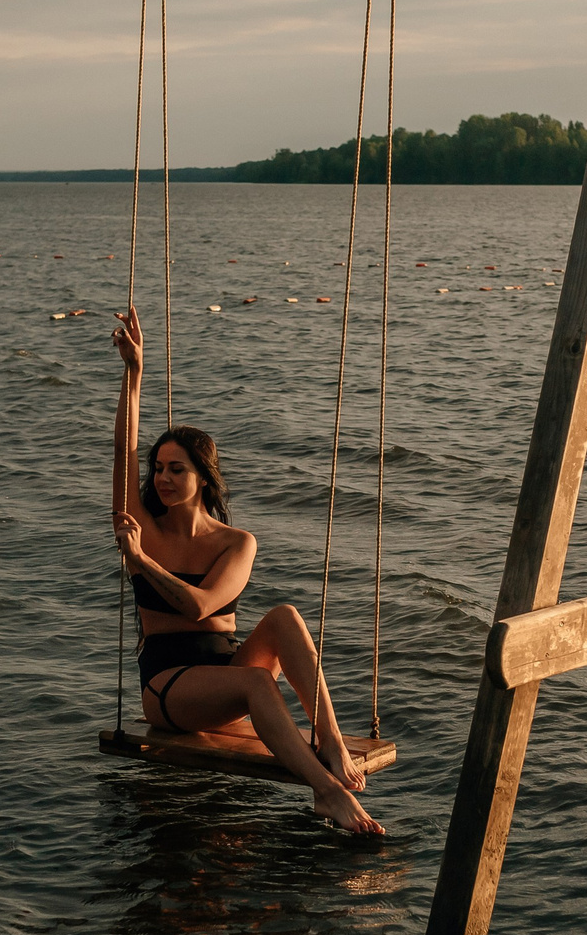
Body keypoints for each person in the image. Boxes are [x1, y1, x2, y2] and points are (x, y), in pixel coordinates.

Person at [109, 309, 383, 836]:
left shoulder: (237, 542)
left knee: (284, 617)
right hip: (168, 689)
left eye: (177, 469)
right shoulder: (144, 529)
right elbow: (123, 450)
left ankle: (329, 740)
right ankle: (327, 793)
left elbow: (203, 605)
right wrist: (134, 373)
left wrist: (142, 561)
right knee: (257, 682)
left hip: (226, 675)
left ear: (203, 478)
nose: (162, 478)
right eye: (158, 468)